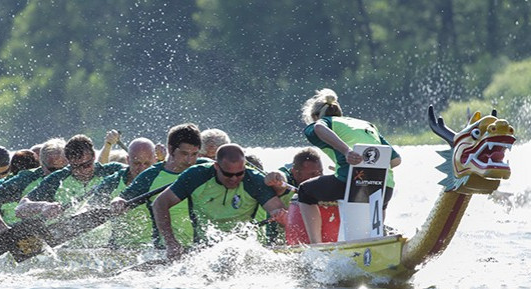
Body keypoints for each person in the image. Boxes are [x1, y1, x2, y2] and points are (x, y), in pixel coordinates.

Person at [296, 88, 401, 243]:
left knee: (305, 191)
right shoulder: (366, 124)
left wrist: (346, 151)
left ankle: (315, 246)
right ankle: (377, 240)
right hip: (385, 189)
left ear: (315, 116)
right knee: (377, 200)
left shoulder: (324, 122)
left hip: (353, 185)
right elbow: (396, 160)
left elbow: (319, 128)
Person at [153, 144, 287, 259]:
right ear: (216, 166)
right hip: (203, 249)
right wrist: (171, 243)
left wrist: (281, 217)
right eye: (228, 174)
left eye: (239, 173)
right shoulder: (196, 176)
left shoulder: (255, 180)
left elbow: (282, 213)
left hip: (244, 250)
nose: (234, 179)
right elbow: (160, 204)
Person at [110, 123, 205, 249]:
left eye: (194, 154)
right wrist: (117, 202)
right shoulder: (151, 176)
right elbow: (123, 198)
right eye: (184, 154)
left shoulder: (205, 169)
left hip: (201, 250)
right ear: (170, 149)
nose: (190, 161)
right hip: (164, 250)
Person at [0, 139, 69, 245]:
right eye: (53, 169)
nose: (59, 174)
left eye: (64, 168)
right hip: (20, 229)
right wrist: (1, 228)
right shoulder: (25, 179)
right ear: (42, 164)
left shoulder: (78, 171)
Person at [15, 135, 124, 220]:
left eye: (87, 165)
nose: (83, 171)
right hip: (68, 245)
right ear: (68, 161)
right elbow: (20, 209)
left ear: (94, 156)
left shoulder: (113, 171)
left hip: (107, 246)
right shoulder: (57, 179)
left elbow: (139, 176)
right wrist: (43, 206)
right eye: (76, 166)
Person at [89, 138, 157, 248]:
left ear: (155, 160)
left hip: (153, 248)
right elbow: (90, 208)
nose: (142, 168)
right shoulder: (112, 182)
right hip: (119, 248)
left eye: (147, 163)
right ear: (128, 160)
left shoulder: (162, 179)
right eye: (137, 163)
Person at [263, 147, 333, 244]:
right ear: (295, 173)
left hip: (306, 236)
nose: (318, 177)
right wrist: (275, 176)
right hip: (278, 240)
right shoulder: (286, 179)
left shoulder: (320, 183)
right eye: (313, 174)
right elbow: (281, 175)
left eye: (320, 172)